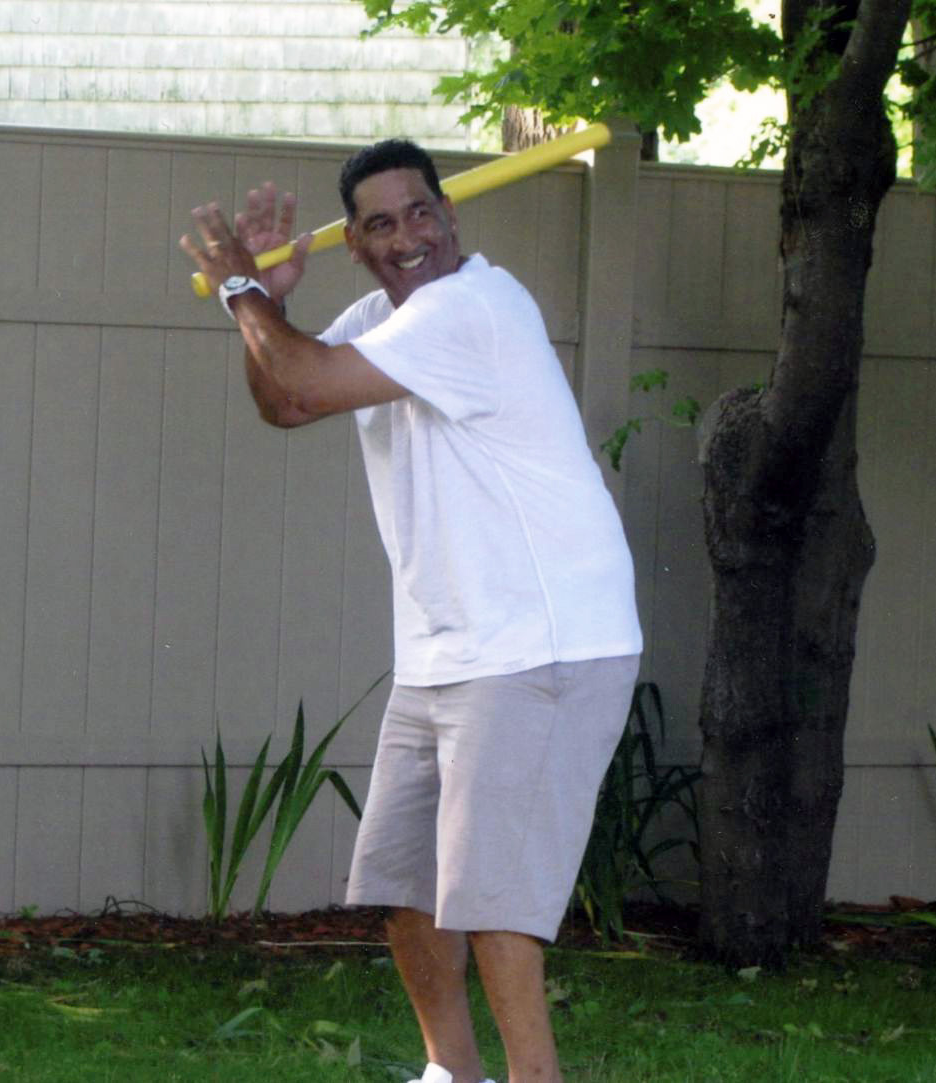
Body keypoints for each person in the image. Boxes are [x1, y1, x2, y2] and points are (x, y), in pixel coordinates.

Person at [180, 138, 643, 1083]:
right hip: (449, 653)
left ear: (450, 215)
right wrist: (268, 303)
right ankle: (451, 1073)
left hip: (542, 645)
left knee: (492, 897)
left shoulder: (474, 307)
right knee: (406, 885)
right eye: (382, 223)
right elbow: (286, 401)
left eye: (421, 211)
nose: (408, 236)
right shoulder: (379, 320)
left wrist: (242, 289)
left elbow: (303, 378)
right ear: (354, 243)